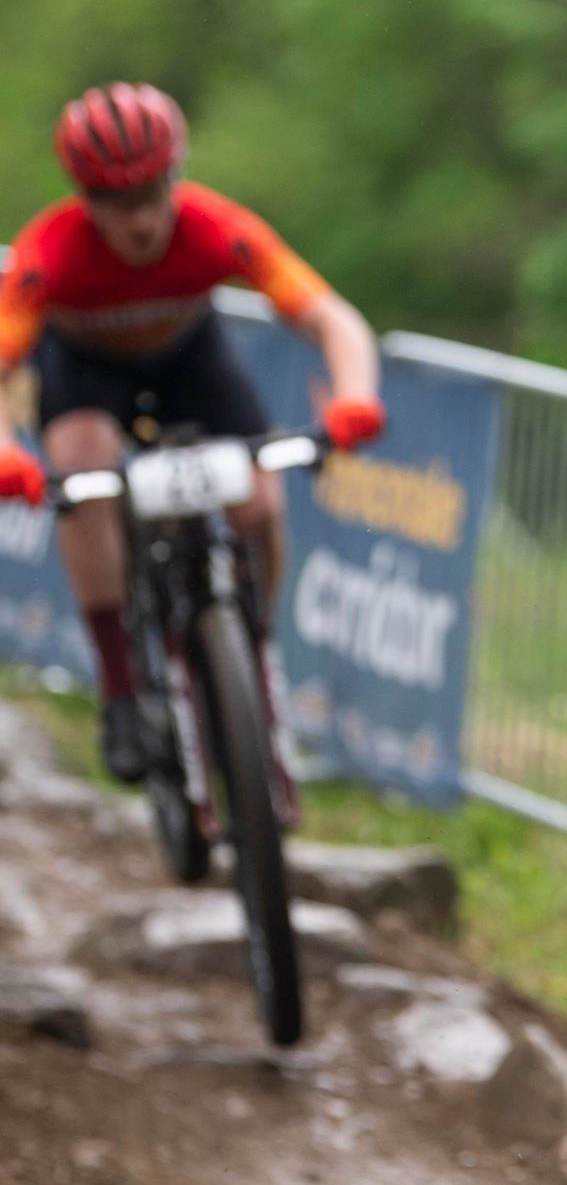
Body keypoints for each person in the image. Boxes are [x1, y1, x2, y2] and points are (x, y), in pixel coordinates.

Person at [0, 82, 386, 780]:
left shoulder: (214, 226)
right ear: (87, 202)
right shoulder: (48, 252)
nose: (143, 221)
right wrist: (5, 451)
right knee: (82, 481)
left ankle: (256, 649)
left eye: (153, 193)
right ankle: (120, 687)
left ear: (174, 177)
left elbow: (333, 317)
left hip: (192, 361)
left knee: (259, 504)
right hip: (85, 372)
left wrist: (354, 398)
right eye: (121, 206)